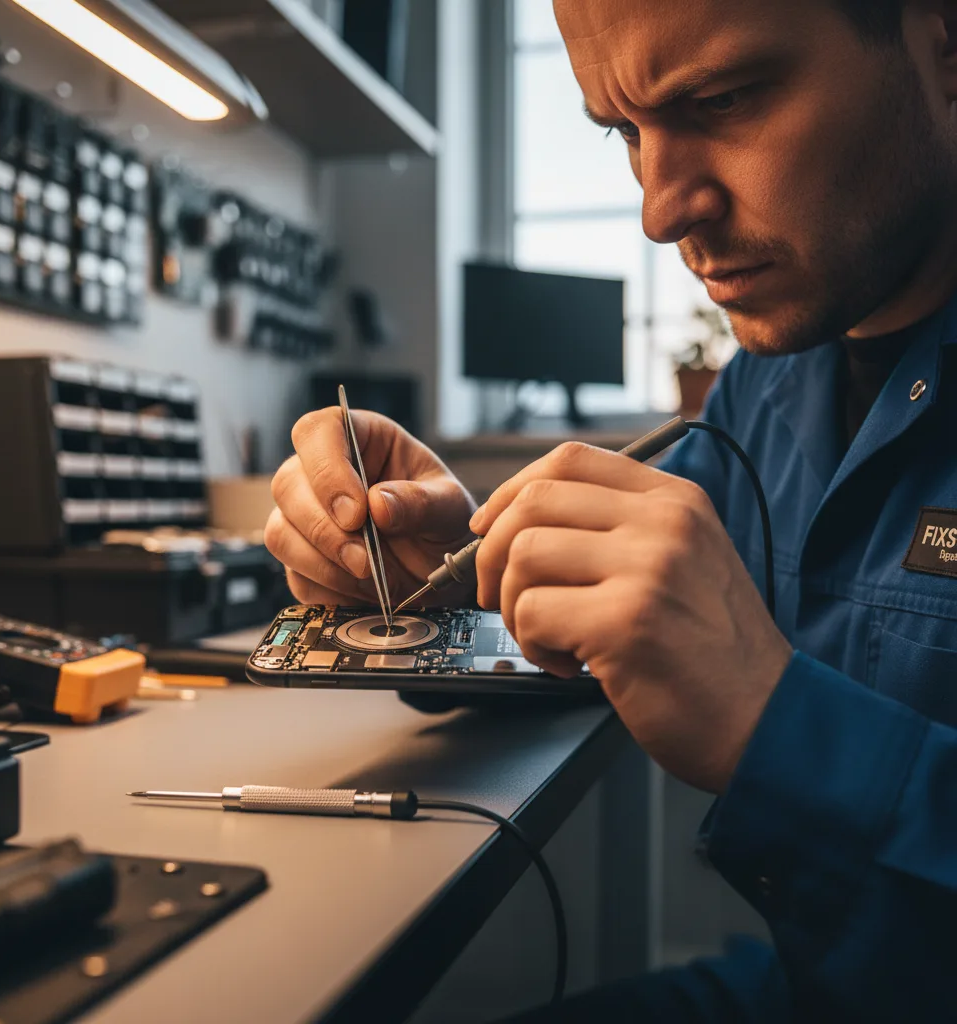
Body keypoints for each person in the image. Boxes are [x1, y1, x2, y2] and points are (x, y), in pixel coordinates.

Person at [264, 0, 957, 1018]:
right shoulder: (768, 382)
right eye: (623, 131)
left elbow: (740, 681)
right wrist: (460, 579)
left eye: (722, 99)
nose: (659, 210)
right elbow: (650, 631)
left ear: (938, 39)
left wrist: (776, 722)